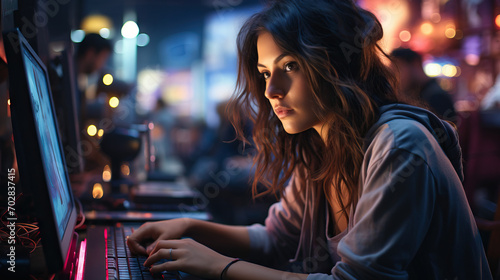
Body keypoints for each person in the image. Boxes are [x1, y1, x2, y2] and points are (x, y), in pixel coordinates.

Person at [127, 0, 492, 279]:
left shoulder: (399, 145)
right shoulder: (321, 146)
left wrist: (221, 267)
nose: (271, 90)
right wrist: (190, 227)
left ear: (335, 65)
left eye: (289, 66)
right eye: (265, 72)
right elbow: (275, 239)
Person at [390, 47, 457, 123]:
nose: (395, 78)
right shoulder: (421, 93)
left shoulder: (436, 97)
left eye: (398, 69)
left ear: (416, 64)